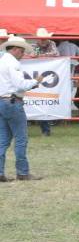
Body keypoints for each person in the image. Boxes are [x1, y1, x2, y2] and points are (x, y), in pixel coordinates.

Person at [0, 37, 42, 181]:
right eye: (22, 51)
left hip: (2, 101)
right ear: (16, 49)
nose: (23, 54)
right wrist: (35, 81)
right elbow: (20, 84)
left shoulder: (2, 60)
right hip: (12, 101)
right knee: (21, 138)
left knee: (3, 139)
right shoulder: (13, 63)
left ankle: (0, 173)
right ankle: (22, 172)